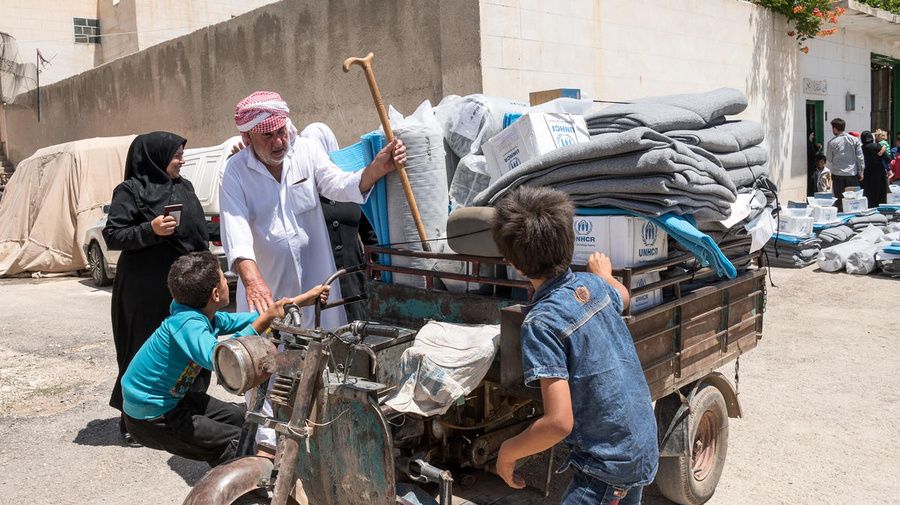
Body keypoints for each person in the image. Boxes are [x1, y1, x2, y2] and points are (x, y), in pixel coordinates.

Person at [219, 91, 406, 450]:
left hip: (319, 291)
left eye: (281, 133)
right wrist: (253, 281)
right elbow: (235, 229)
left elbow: (340, 184)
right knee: (269, 370)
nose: (278, 142)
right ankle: (271, 454)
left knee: (328, 364)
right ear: (247, 138)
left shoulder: (304, 151)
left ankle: (326, 442)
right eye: (268, 136)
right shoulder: (235, 172)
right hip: (269, 294)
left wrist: (375, 169)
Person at [491, 187, 658, 504]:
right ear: (570, 243)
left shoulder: (540, 324)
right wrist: (604, 275)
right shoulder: (593, 285)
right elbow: (622, 297)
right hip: (637, 444)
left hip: (608, 466)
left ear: (512, 262)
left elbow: (558, 422)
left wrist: (507, 453)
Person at [121, 251, 329, 466]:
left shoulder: (200, 315)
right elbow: (224, 359)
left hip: (173, 400)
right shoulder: (186, 324)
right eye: (224, 277)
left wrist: (299, 301)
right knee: (237, 442)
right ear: (215, 294)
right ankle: (242, 493)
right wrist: (266, 318)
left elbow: (255, 318)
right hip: (151, 417)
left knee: (244, 421)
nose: (227, 279)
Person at [104, 131, 213, 445]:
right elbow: (113, 235)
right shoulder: (130, 190)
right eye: (176, 155)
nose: (182, 160)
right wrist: (149, 230)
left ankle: (184, 411)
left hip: (183, 286)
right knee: (143, 350)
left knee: (188, 349)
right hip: (144, 290)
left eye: (181, 154)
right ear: (156, 157)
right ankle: (134, 420)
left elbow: (197, 228)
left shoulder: (184, 186)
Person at [300, 122, 379, 322]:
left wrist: (377, 264)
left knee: (358, 331)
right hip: (319, 282)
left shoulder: (349, 185)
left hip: (354, 278)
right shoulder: (302, 192)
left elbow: (370, 233)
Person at [825, 118, 864, 209]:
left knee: (840, 200)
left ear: (834, 128)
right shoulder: (855, 140)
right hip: (852, 174)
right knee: (853, 200)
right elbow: (860, 157)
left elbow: (829, 159)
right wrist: (861, 171)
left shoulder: (831, 143)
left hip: (838, 174)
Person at [860, 130, 891, 207]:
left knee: (868, 197)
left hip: (866, 176)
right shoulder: (877, 146)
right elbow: (888, 158)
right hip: (879, 175)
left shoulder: (861, 148)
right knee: (881, 197)